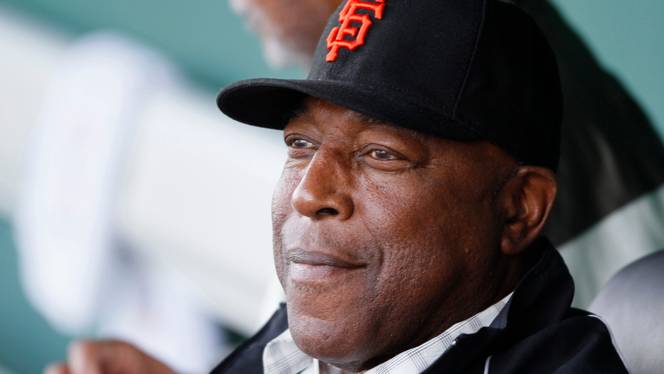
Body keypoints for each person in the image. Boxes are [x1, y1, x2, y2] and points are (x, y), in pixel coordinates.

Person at [48, 0, 629, 373]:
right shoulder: (306, 342)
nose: (309, 192)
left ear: (519, 209)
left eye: (380, 154)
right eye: (300, 145)